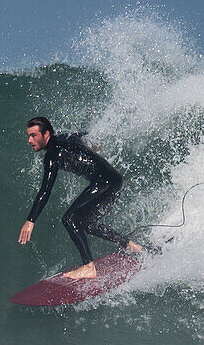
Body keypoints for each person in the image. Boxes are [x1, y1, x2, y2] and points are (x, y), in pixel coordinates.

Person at [18, 116, 142, 279]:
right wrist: (94, 146)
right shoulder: (66, 137)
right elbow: (85, 135)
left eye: (33, 135)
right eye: (28, 136)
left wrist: (30, 220)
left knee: (69, 219)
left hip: (105, 182)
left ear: (46, 134)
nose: (29, 140)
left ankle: (88, 267)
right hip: (115, 181)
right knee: (85, 223)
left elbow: (45, 190)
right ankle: (130, 245)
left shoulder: (52, 156)